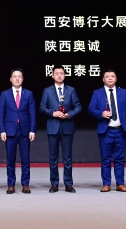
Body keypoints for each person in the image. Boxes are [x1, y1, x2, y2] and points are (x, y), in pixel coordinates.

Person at [88, 68, 126, 192]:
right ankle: (106, 184)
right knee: (106, 159)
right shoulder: (97, 93)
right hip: (106, 130)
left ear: (116, 78)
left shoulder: (123, 92)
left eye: (112, 76)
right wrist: (101, 113)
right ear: (103, 79)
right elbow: (91, 109)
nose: (110, 78)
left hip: (121, 130)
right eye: (107, 76)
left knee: (120, 158)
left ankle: (120, 184)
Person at [39, 65, 82, 193]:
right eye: (56, 73)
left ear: (65, 75)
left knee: (67, 157)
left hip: (67, 126)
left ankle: (68, 183)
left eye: (61, 73)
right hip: (53, 127)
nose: (59, 75)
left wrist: (69, 114)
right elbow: (42, 108)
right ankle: (54, 183)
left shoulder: (71, 90)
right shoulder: (47, 91)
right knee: (53, 158)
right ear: (52, 75)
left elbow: (78, 106)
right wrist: (53, 113)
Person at [0, 68, 36, 194]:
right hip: (10, 130)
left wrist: (32, 130)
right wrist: (2, 130)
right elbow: (1, 114)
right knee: (10, 159)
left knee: (25, 159)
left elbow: (33, 114)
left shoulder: (29, 94)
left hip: (25, 130)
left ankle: (25, 184)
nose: (17, 79)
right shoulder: (5, 94)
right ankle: (11, 185)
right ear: (10, 79)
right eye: (15, 76)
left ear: (23, 79)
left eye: (19, 76)